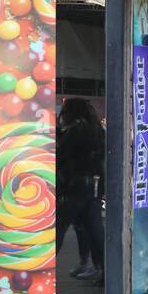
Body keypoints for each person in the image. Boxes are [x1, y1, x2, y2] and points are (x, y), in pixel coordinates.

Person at [57, 98, 106, 280]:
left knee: (59, 227)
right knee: (94, 229)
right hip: (93, 186)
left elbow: (61, 155)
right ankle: (102, 269)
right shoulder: (97, 130)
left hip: (74, 185)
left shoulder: (75, 131)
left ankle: (41, 270)